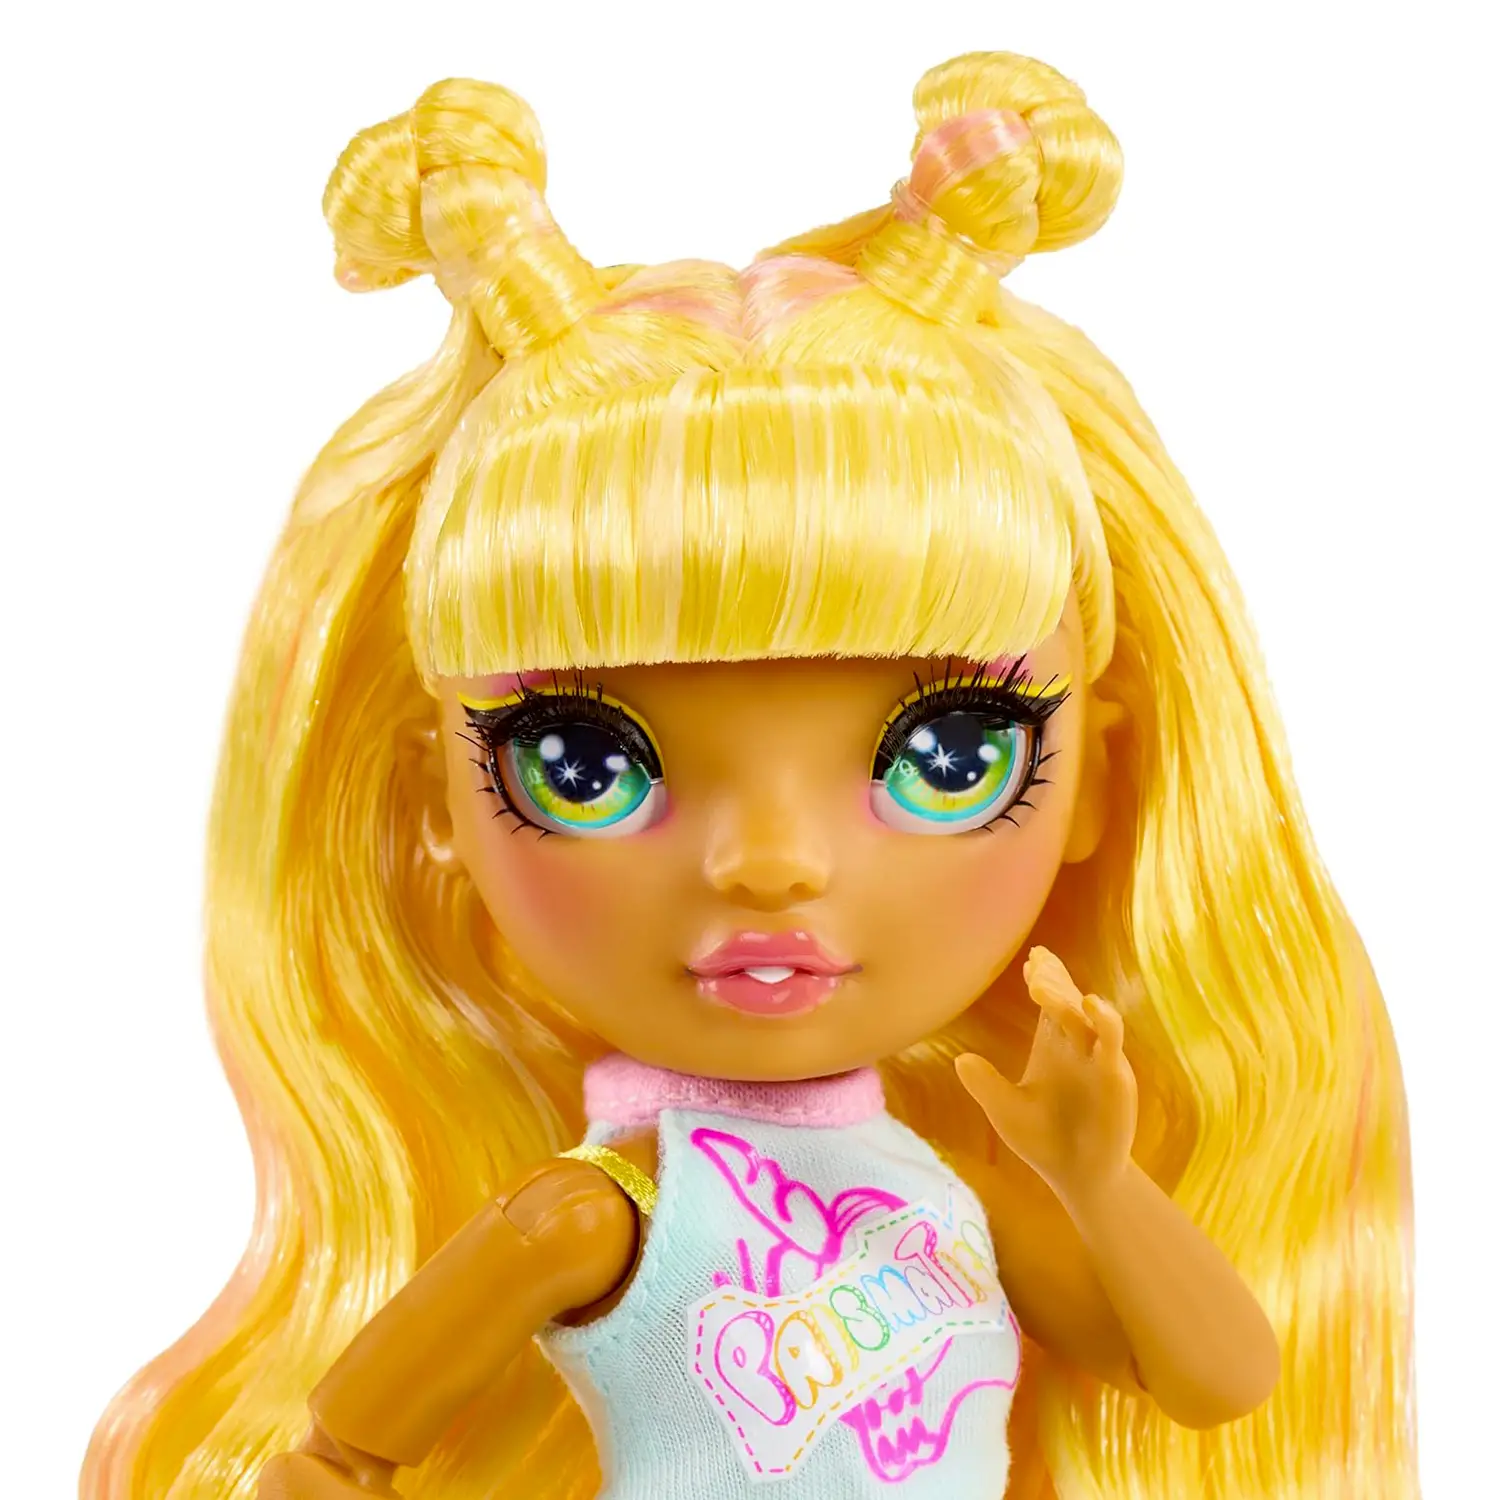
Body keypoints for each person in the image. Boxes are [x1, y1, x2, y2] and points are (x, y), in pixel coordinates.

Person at [82, 50, 1416, 1500]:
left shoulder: (948, 1201)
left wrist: (1098, 1180)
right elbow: (344, 1451)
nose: (770, 863)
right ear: (436, 809)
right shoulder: (599, 1218)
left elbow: (1218, 1380)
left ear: (1097, 778)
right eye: (584, 764)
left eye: (949, 757)